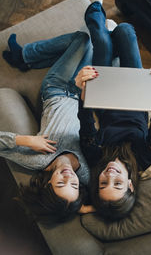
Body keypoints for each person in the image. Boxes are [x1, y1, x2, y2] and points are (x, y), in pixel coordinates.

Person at [75, 0, 151, 221]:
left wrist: (82, 90)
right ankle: (115, 46)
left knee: (100, 40)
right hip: (136, 97)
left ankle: (96, 6)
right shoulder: (145, 157)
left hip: (105, 97)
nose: (110, 174)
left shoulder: (94, 156)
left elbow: (86, 120)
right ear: (131, 185)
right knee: (125, 30)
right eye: (117, 183)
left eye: (103, 184)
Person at [1, 30, 94, 224]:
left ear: (48, 183)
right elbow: (108, 200)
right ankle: (29, 61)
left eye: (61, 183)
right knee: (94, 45)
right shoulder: (85, 174)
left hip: (56, 89)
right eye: (74, 186)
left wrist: (26, 140)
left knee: (82, 39)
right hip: (84, 92)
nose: (69, 177)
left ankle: (25, 56)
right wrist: (82, 208)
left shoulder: (36, 161)